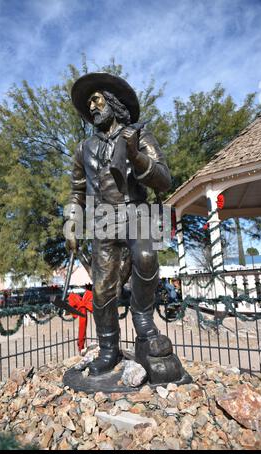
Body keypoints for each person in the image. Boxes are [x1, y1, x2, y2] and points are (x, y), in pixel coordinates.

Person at [64, 73, 171, 375]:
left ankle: (144, 324)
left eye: (96, 99)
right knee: (101, 289)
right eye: (89, 104)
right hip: (103, 221)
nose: (93, 106)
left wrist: (136, 155)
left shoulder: (139, 135)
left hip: (136, 212)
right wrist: (72, 222)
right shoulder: (83, 148)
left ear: (112, 102)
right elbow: (75, 191)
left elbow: (163, 179)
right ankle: (109, 349)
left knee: (147, 257)